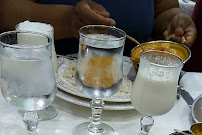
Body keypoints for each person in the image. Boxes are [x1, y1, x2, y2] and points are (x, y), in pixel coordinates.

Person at [0, 0, 197, 56]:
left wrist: (174, 22)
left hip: (128, 90)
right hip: (41, 80)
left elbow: (164, 11)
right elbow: (6, 12)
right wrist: (69, 20)